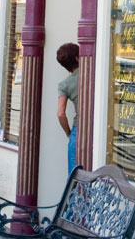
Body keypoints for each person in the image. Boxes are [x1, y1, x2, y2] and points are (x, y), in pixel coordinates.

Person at [56, 42, 79, 177]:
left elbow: (60, 114)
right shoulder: (94, 74)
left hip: (78, 130)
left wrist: (69, 133)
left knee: (74, 178)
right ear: (77, 58)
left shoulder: (64, 85)